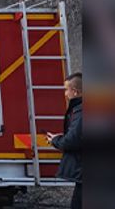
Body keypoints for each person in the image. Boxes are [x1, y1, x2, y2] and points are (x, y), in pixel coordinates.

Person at [47, 72, 82, 209]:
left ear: (75, 91)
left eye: (66, 90)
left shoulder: (81, 111)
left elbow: (71, 141)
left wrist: (56, 140)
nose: (65, 94)